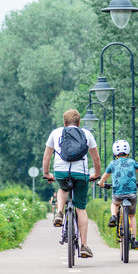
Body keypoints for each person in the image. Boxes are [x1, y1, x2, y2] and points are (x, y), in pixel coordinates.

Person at [42, 109, 101, 258]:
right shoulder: (87, 134)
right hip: (81, 174)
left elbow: (47, 156)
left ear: (64, 122)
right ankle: (84, 246)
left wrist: (46, 173)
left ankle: (59, 212)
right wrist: (97, 174)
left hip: (61, 172)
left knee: (62, 188)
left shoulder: (56, 133)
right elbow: (96, 159)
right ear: (79, 123)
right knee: (80, 209)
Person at [98, 140, 138, 249]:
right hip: (131, 193)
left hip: (117, 192)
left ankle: (113, 216)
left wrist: (101, 183)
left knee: (115, 204)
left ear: (115, 154)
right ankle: (134, 240)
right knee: (132, 216)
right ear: (128, 153)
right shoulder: (132, 162)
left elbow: (104, 177)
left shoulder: (112, 163)